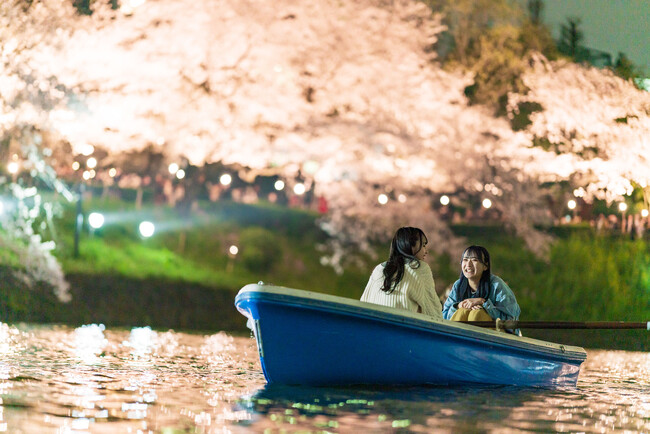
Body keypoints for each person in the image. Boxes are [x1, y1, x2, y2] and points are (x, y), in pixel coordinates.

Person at [360, 227, 443, 320]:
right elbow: (434, 312)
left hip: (373, 327)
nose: (426, 251)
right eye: (423, 245)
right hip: (403, 329)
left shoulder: (379, 269)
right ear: (411, 245)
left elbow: (364, 302)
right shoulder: (419, 268)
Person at [443, 245, 520, 333]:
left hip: (499, 337)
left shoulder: (496, 285)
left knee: (477, 314)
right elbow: (444, 317)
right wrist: (458, 306)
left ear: (485, 266)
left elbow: (511, 320)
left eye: (475, 260)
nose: (468, 264)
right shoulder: (458, 285)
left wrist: (483, 303)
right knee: (462, 312)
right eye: (465, 259)